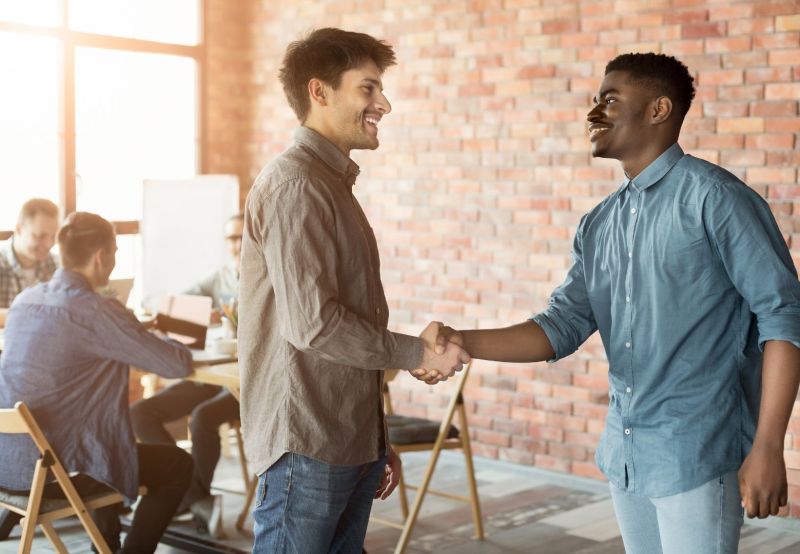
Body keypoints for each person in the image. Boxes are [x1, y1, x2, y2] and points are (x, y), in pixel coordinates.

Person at [428, 53, 800, 554]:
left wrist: (768, 447)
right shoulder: (599, 223)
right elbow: (560, 326)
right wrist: (460, 341)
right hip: (625, 451)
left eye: (610, 99)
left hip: (697, 451)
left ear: (658, 109)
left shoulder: (717, 199)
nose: (593, 112)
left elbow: (783, 318)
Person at [238, 28, 469, 553]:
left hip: (344, 441)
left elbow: (341, 325)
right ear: (320, 92)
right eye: (368, 89)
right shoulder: (297, 185)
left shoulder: (330, 184)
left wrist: (374, 439)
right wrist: (416, 351)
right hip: (308, 445)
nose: (383, 103)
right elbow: (315, 326)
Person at [0, 212, 194, 552]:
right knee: (177, 465)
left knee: (99, 438)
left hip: (7, 464)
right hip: (54, 476)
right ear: (101, 256)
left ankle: (104, 544)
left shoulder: (24, 301)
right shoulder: (97, 311)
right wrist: (159, 336)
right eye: (116, 252)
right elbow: (175, 364)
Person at [129, 213, 244, 538]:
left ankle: (184, 495)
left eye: (242, 237)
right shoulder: (220, 276)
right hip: (212, 373)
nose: (236, 245)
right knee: (140, 412)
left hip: (246, 382)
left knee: (202, 418)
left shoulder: (265, 275)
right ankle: (195, 496)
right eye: (231, 238)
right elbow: (176, 303)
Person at [0, 198, 60, 326]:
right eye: (41, 236)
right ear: (19, 229)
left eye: (53, 237)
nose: (49, 244)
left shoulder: (57, 266)